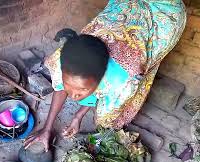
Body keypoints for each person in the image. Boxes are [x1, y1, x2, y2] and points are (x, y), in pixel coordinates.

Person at [24, 0, 186, 151]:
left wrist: (80, 115)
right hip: (127, 6)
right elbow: (62, 85)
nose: (72, 97)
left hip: (165, 12)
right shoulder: (64, 60)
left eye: (81, 91)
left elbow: (105, 98)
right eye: (69, 87)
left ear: (102, 81)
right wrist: (47, 128)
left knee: (108, 117)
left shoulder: (122, 81)